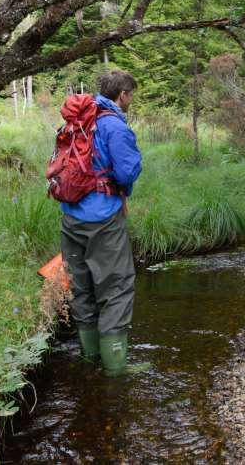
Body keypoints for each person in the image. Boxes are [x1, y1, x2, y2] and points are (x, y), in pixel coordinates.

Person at [60, 70, 142, 376]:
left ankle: (90, 358)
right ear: (122, 94)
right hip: (103, 219)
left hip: (70, 217)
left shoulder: (77, 121)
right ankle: (116, 368)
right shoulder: (113, 126)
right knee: (116, 288)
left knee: (82, 287)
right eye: (130, 95)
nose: (131, 100)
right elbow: (126, 173)